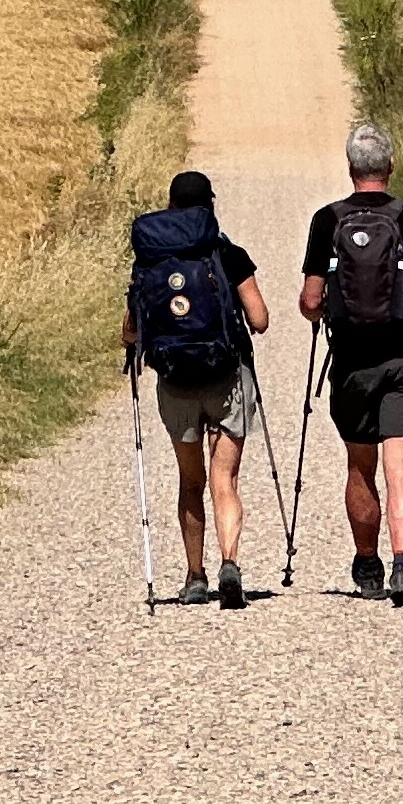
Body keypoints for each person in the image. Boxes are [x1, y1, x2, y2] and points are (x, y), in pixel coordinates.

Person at [299, 122, 403, 608]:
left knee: (360, 466)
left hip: (352, 363)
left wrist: (327, 316)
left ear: (351, 169)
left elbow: (310, 299)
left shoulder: (328, 220)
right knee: (400, 468)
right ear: (390, 166)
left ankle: (368, 566)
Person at [124, 169, 269, 609]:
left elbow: (131, 333)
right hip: (224, 375)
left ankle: (194, 577)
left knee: (191, 481)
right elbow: (260, 319)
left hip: (175, 380)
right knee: (223, 479)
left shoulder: (151, 259)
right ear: (210, 204)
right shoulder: (228, 254)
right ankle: (230, 562)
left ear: (170, 207)